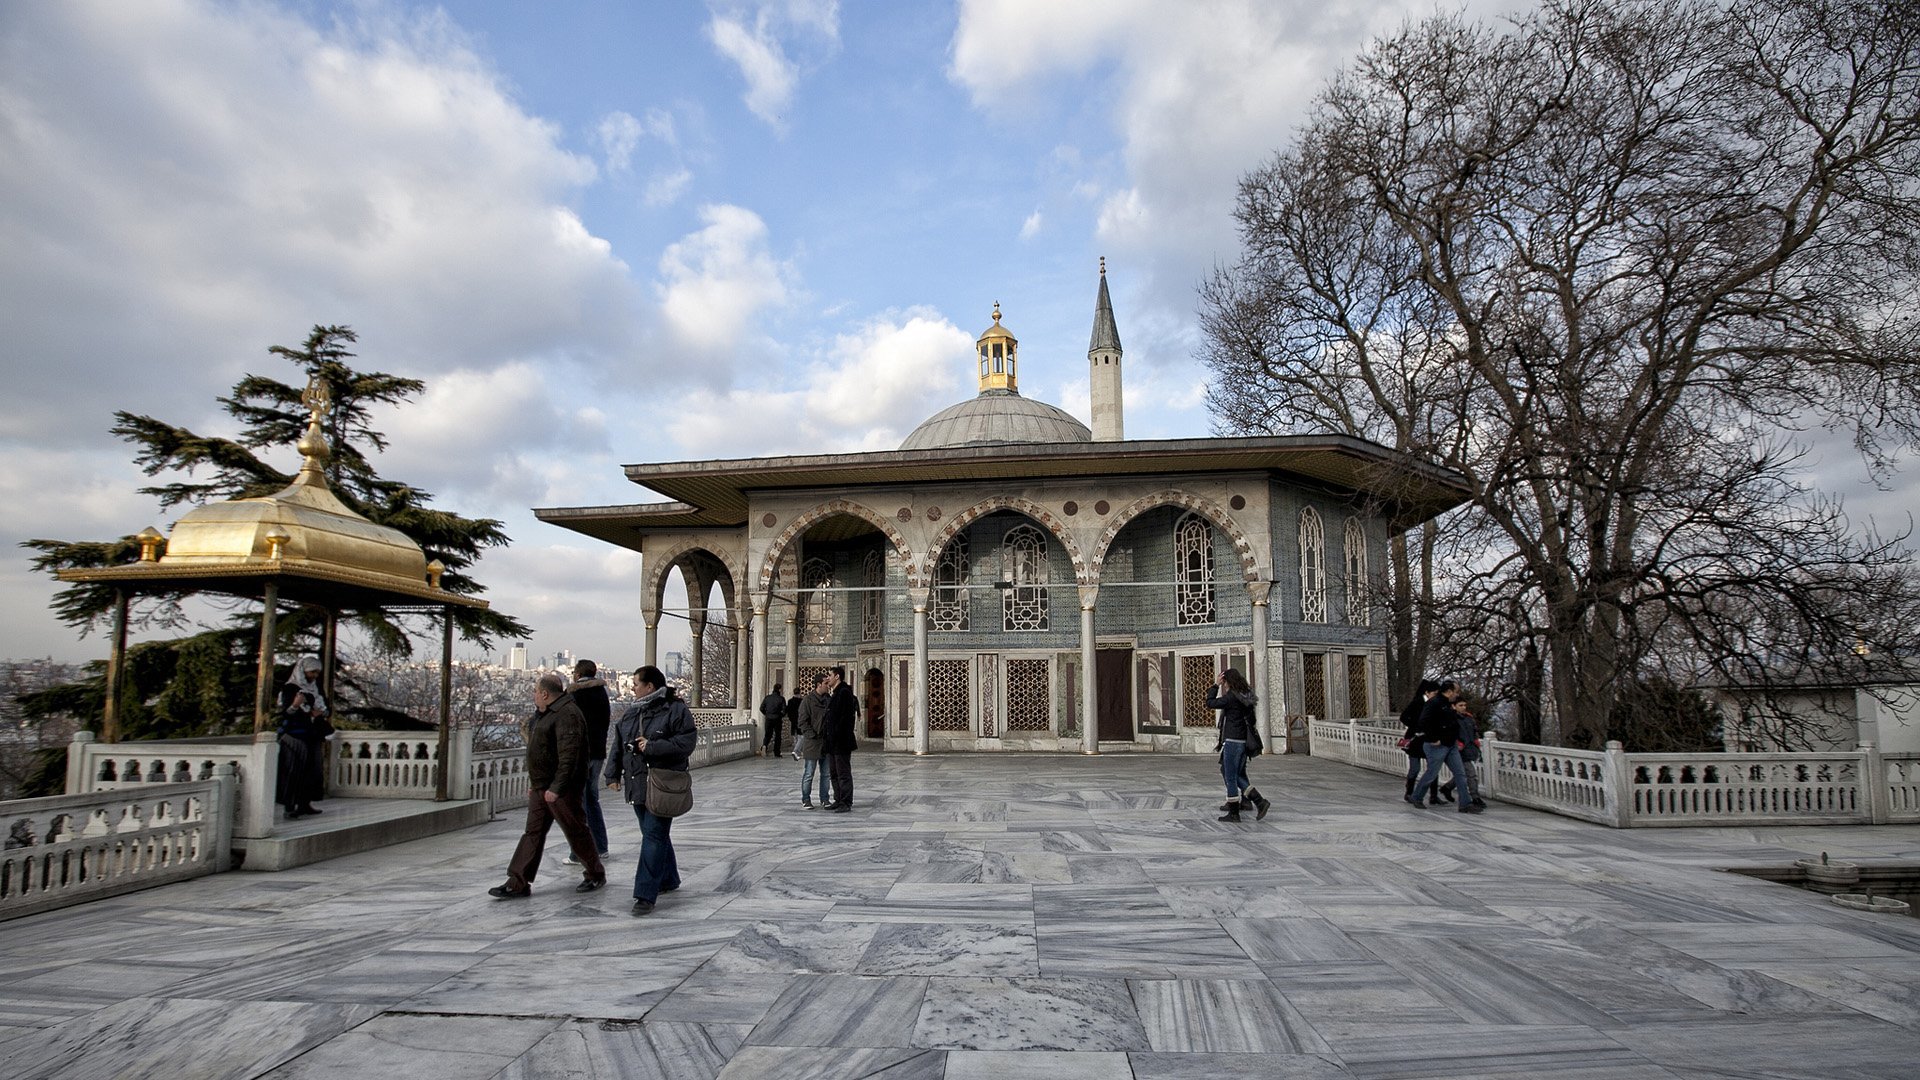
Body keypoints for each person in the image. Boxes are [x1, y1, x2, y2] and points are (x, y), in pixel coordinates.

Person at [488, 673, 606, 898]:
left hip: (561, 788)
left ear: (544, 693)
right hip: (542, 786)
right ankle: (518, 881)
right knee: (533, 832)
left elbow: (569, 756)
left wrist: (557, 788)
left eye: (535, 691)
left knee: (575, 830)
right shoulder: (545, 714)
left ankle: (595, 873)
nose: (533, 695)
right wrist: (536, 783)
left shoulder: (567, 714)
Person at [605, 665, 698, 916]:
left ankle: (645, 894)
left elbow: (686, 742)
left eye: (636, 684)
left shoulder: (675, 709)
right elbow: (619, 745)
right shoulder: (631, 713)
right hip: (637, 782)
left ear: (650, 686)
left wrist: (652, 746)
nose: (632, 688)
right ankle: (668, 878)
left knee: (654, 835)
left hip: (662, 784)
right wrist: (612, 774)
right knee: (653, 833)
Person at [565, 659, 612, 864]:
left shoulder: (574, 695)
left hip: (580, 754)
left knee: (579, 803)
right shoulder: (602, 694)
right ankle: (601, 847)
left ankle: (580, 851)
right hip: (598, 752)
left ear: (577, 674)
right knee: (592, 800)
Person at [1207, 668, 1269, 821]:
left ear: (1228, 682)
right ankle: (1258, 801)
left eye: (1224, 682)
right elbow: (1252, 720)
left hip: (1233, 741)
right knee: (1234, 773)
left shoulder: (1231, 697)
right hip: (1242, 740)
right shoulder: (1246, 696)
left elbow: (1210, 703)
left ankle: (1235, 812)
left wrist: (1215, 685)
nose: (1224, 685)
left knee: (1230, 777)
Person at [1409, 681, 1480, 813]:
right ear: (1449, 691)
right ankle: (1417, 797)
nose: (1457, 695)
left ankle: (1465, 804)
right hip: (1437, 746)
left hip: (1451, 744)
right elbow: (1423, 722)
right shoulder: (1434, 703)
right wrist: (1433, 738)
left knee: (1460, 773)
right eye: (1456, 692)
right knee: (1432, 773)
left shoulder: (1448, 704)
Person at [275, 655, 333, 819]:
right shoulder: (290, 688)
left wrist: (321, 712)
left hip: (312, 735)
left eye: (317, 672)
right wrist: (296, 705)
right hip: (295, 736)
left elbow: (327, 708)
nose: (314, 675)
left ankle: (305, 804)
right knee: (293, 771)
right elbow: (286, 713)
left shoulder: (316, 688)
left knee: (311, 771)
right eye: (312, 672)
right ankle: (289, 806)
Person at [1397, 679, 1441, 803]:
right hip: (1415, 739)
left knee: (1433, 768)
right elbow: (1403, 717)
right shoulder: (1417, 702)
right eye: (1434, 693)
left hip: (1429, 738)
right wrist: (1416, 726)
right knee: (1415, 768)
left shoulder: (1435, 704)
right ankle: (1409, 792)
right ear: (1427, 692)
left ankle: (1433, 796)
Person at [822, 665, 859, 813]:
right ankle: (838, 799)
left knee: (843, 773)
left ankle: (846, 801)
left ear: (837, 676)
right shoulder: (835, 693)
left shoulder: (844, 693)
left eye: (829, 675)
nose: (827, 678)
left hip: (841, 741)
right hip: (832, 741)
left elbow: (845, 718)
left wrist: (837, 734)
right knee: (834, 772)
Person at [1441, 699, 1488, 808]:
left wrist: (1476, 741)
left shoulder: (1468, 718)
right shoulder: (1451, 718)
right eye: (1460, 705)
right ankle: (1475, 797)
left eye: (1464, 705)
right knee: (1471, 773)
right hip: (1457, 750)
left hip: (1469, 748)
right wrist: (1457, 742)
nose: (1463, 707)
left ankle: (1447, 787)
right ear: (1454, 706)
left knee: (1462, 774)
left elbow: (1474, 732)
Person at [795, 672, 832, 808]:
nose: (828, 686)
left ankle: (825, 799)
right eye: (826, 683)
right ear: (819, 685)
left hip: (826, 742)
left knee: (826, 774)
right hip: (812, 743)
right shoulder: (808, 701)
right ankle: (806, 799)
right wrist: (812, 735)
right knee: (809, 773)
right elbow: (802, 722)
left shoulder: (829, 700)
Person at [759, 683, 787, 757]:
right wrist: (780, 715)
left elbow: (761, 708)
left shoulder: (767, 698)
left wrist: (767, 714)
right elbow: (784, 710)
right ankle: (776, 752)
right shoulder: (781, 699)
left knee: (768, 734)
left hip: (768, 718)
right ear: (779, 690)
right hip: (777, 719)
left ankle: (764, 746)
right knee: (777, 735)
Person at [785, 687, 803, 760]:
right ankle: (796, 751)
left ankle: (797, 752)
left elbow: (788, 711)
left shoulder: (790, 701)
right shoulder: (802, 701)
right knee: (801, 737)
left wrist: (791, 718)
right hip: (800, 720)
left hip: (793, 721)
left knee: (795, 737)